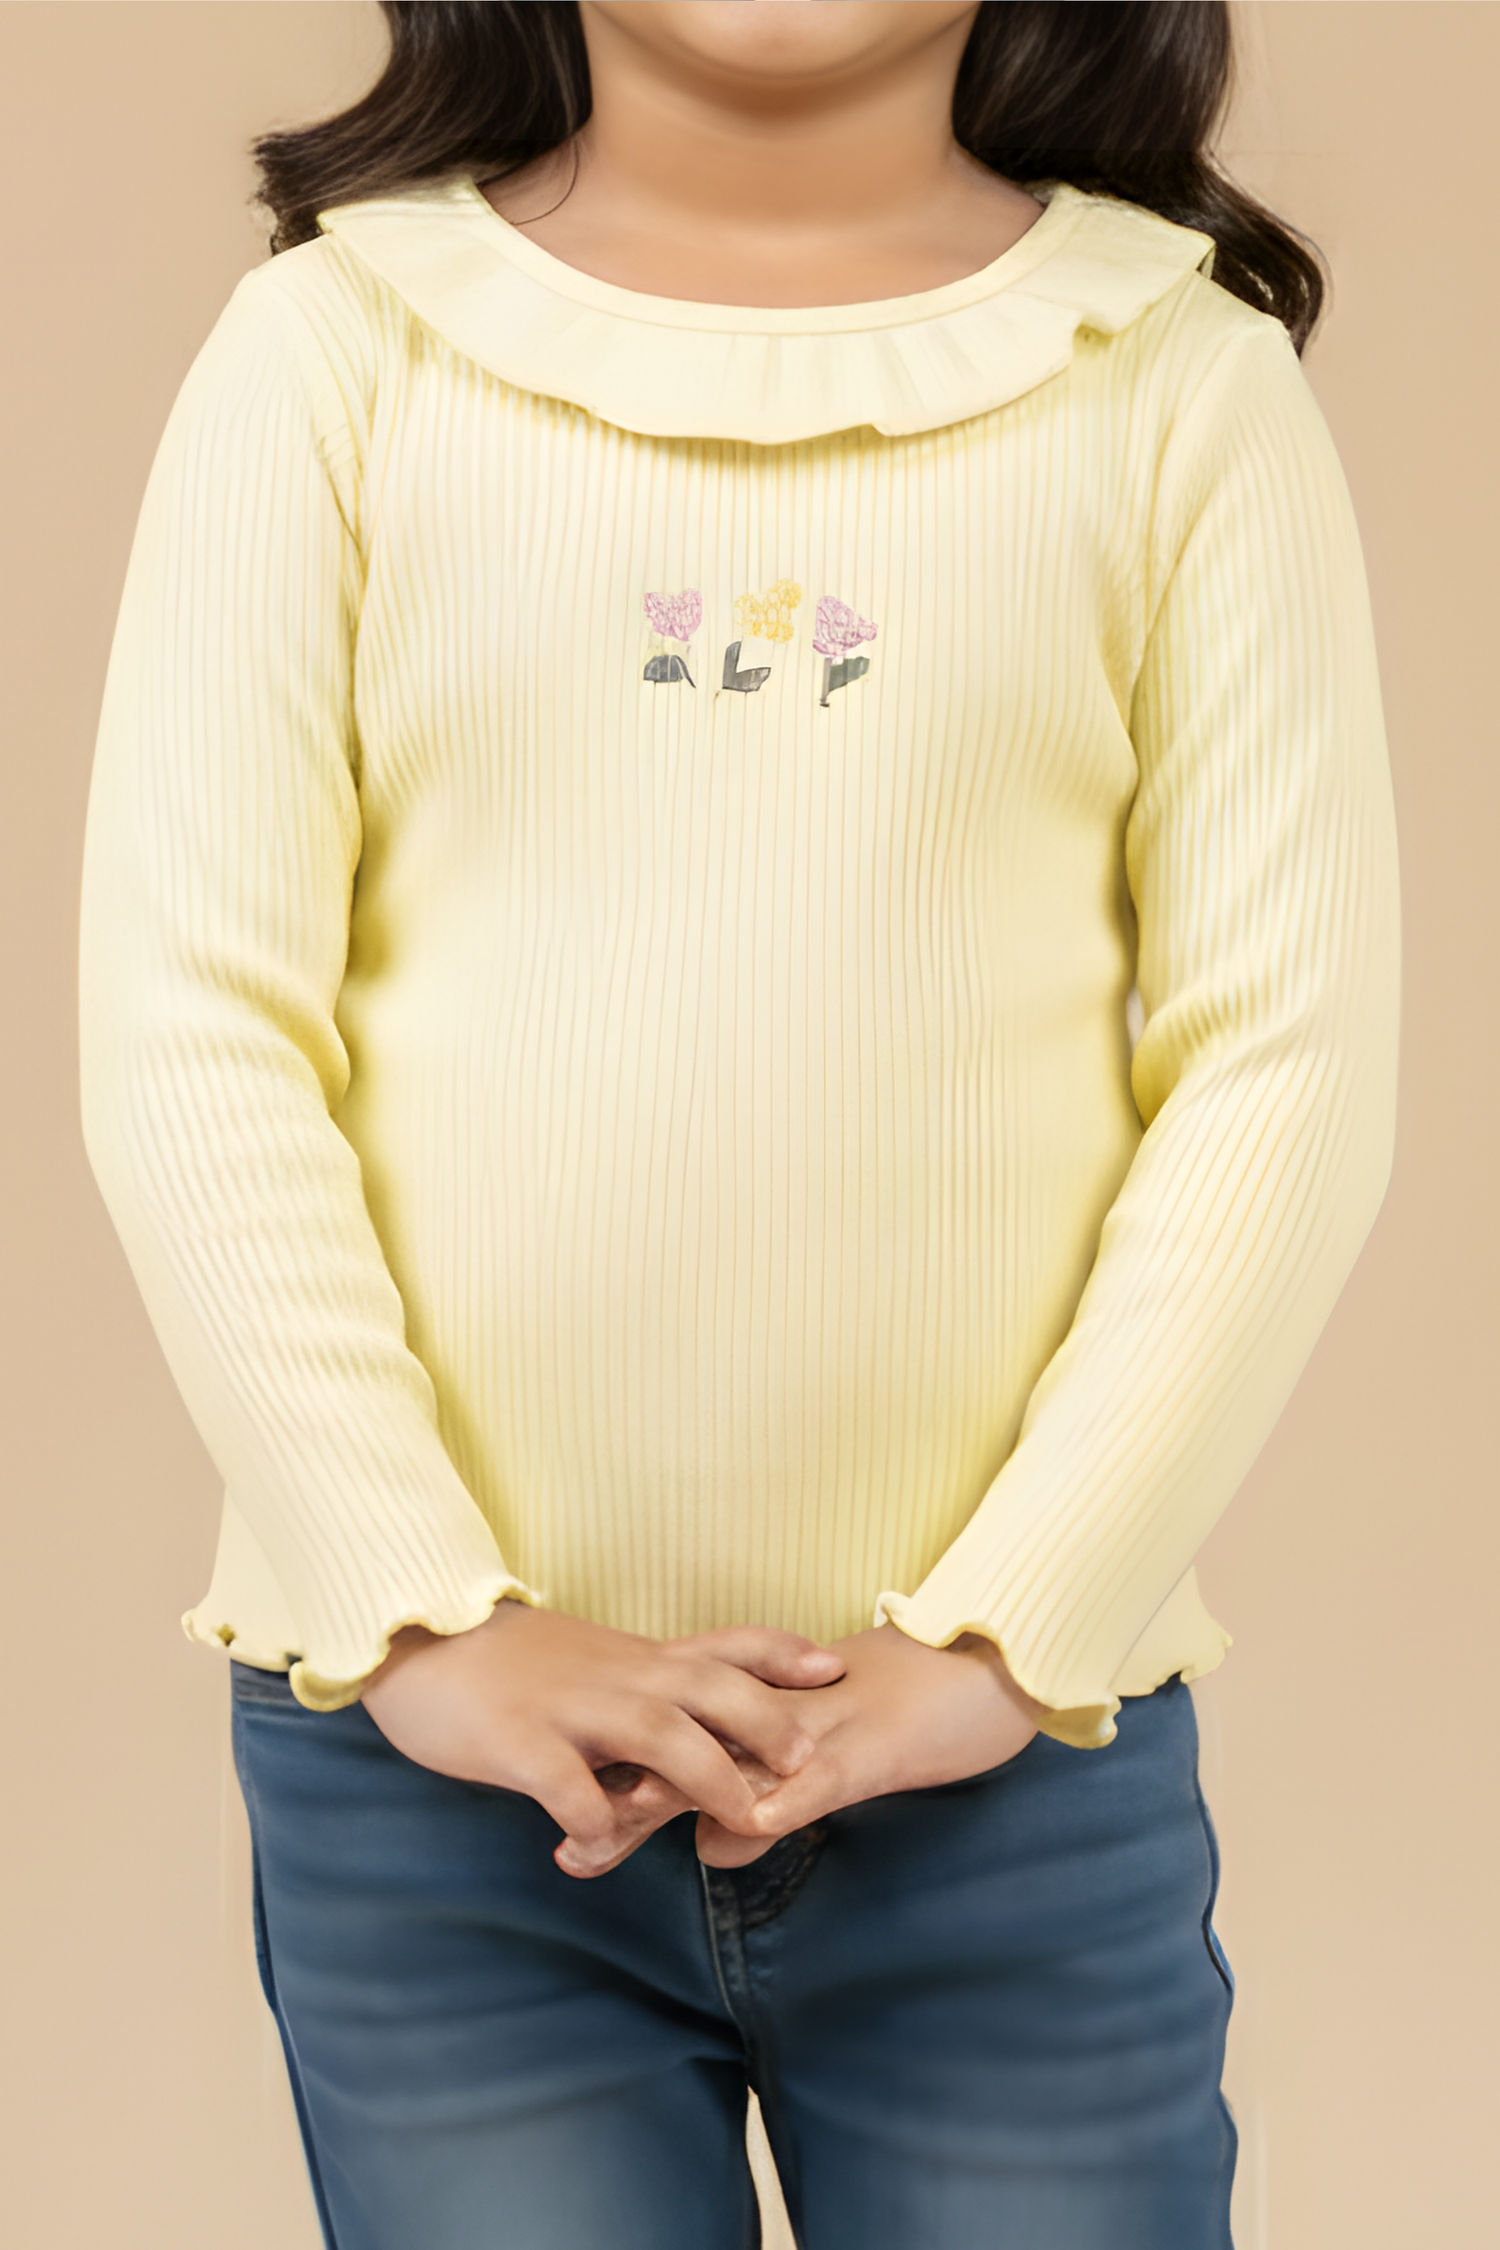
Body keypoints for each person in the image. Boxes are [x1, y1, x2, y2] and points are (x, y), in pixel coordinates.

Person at [77, 3, 1400, 2244]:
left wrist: (1012, 1635)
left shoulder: (1178, 381)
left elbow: (1286, 1058)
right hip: (437, 1769)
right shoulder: (333, 354)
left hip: (1015, 1769)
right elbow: (193, 1020)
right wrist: (420, 1613)